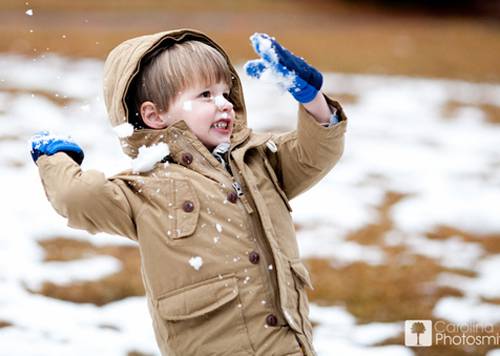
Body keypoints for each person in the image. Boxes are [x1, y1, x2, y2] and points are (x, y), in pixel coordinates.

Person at [30, 29, 347, 356]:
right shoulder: (147, 188)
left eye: (225, 93)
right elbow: (77, 198)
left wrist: (312, 99)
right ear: (155, 115)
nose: (224, 104)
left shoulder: (258, 160)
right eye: (206, 95)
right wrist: (54, 159)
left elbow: (316, 152)